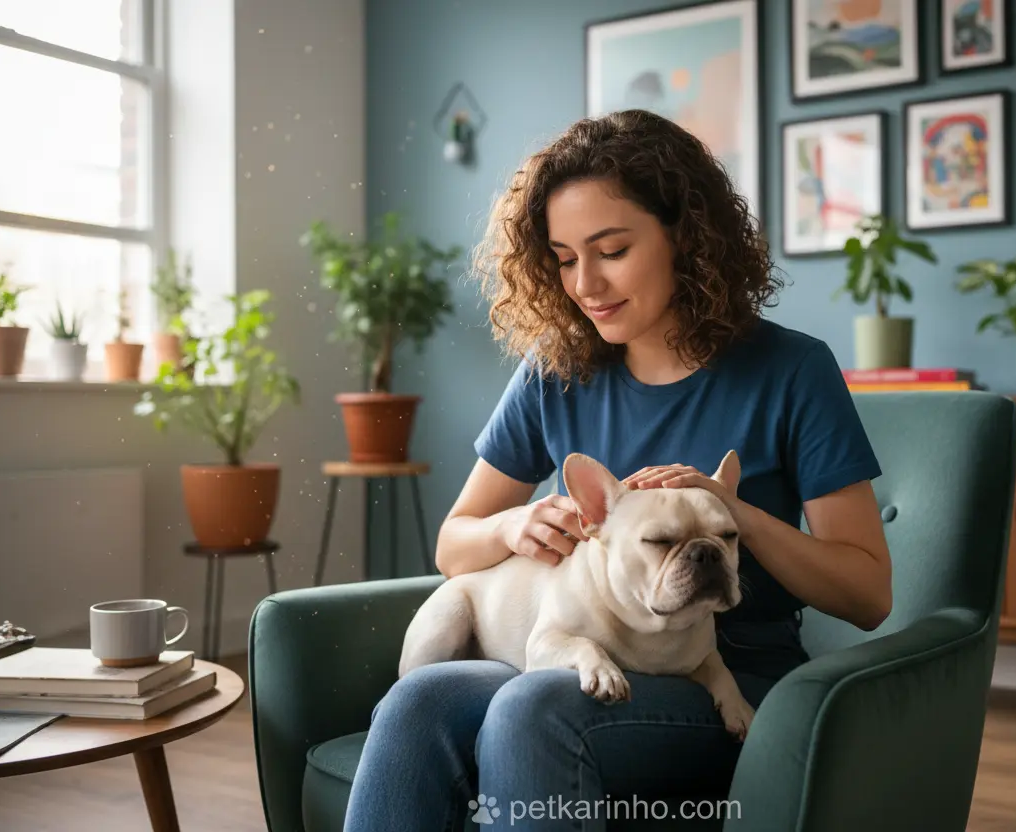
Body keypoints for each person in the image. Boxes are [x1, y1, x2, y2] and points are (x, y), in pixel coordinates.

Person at [343, 109, 892, 831]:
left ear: (686, 241)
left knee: (531, 706)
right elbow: (455, 545)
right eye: (565, 257)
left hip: (726, 682)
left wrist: (738, 517)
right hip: (566, 655)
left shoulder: (790, 371)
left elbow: (867, 594)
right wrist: (514, 524)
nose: (585, 284)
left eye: (611, 250)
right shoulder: (555, 373)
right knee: (418, 699)